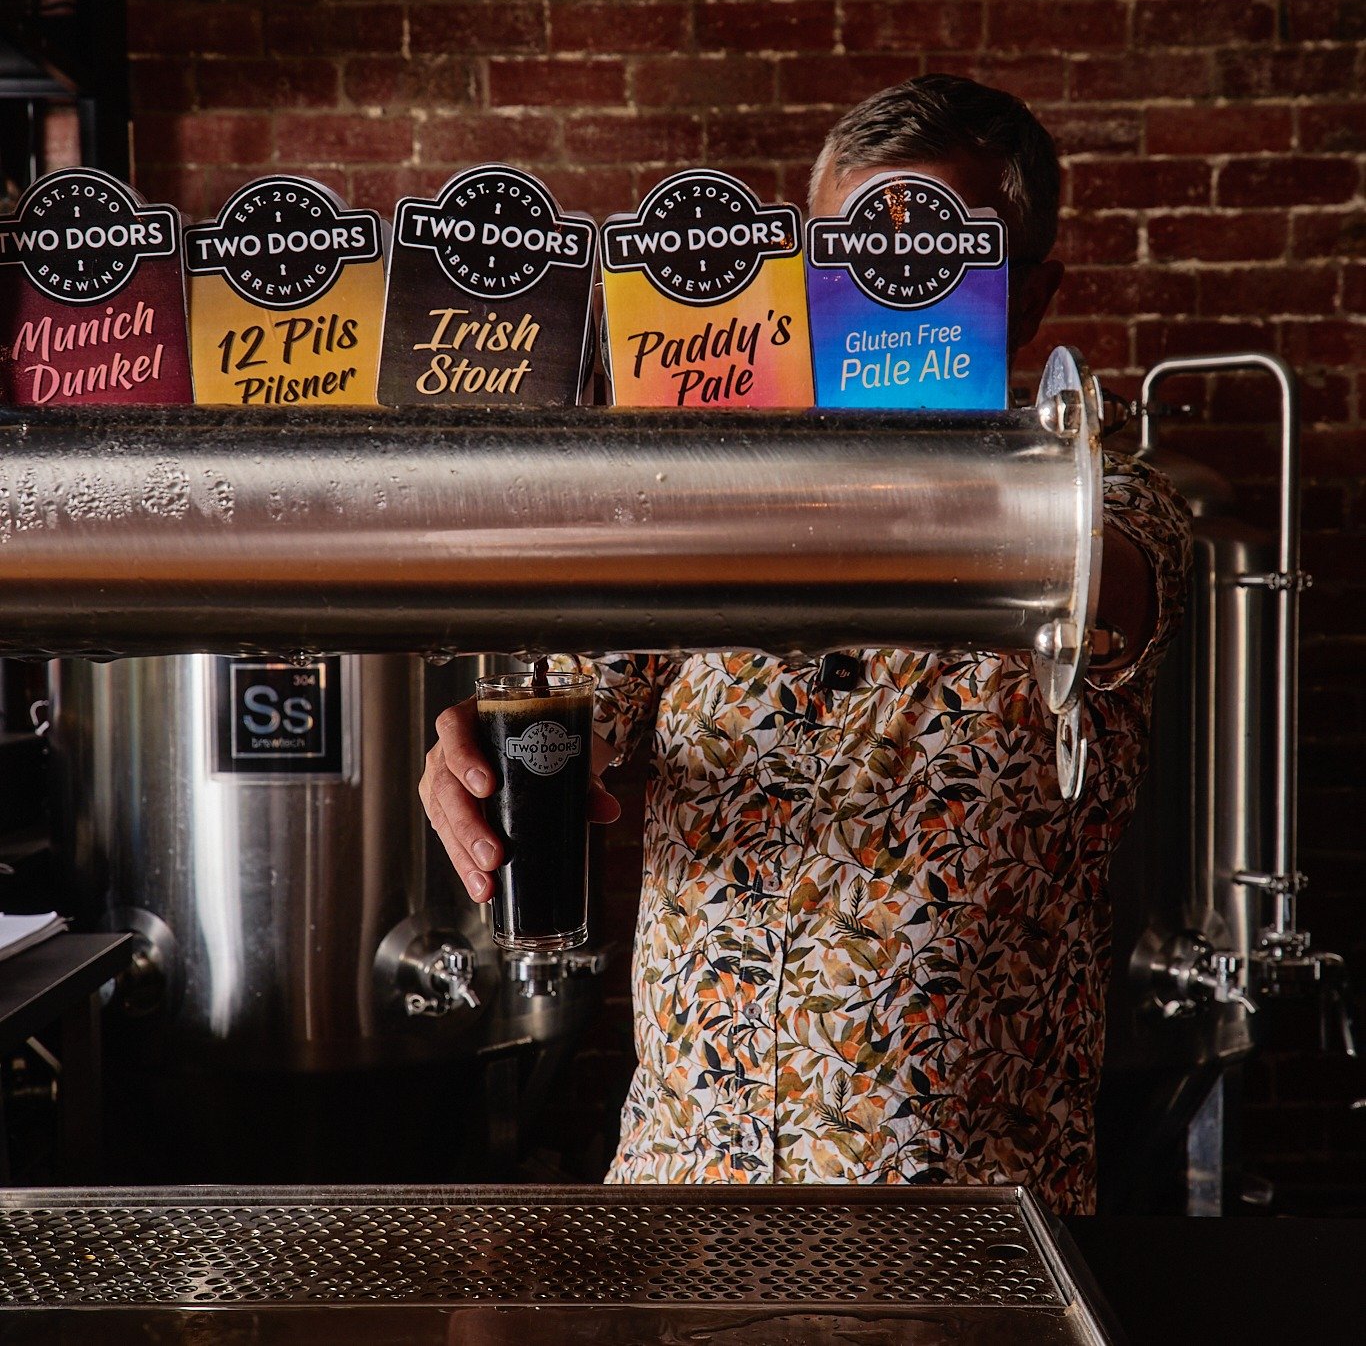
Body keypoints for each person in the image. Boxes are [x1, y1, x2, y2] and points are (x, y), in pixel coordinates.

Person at [419, 75, 1191, 1212]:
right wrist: (478, 755)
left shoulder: (1108, 510)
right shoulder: (703, 502)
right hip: (682, 1204)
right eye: (849, 268)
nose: (885, 300)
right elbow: (571, 708)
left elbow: (1108, 578)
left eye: (934, 263)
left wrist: (813, 471)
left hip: (961, 1232)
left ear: (1032, 297)